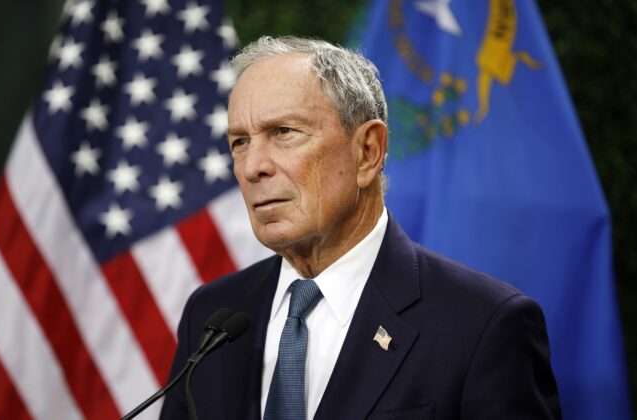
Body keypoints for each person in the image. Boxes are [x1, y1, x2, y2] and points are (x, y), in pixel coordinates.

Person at [159, 35, 561, 420]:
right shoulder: (211, 316)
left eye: (283, 132)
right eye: (240, 142)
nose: (251, 167)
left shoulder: (483, 325)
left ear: (368, 152)